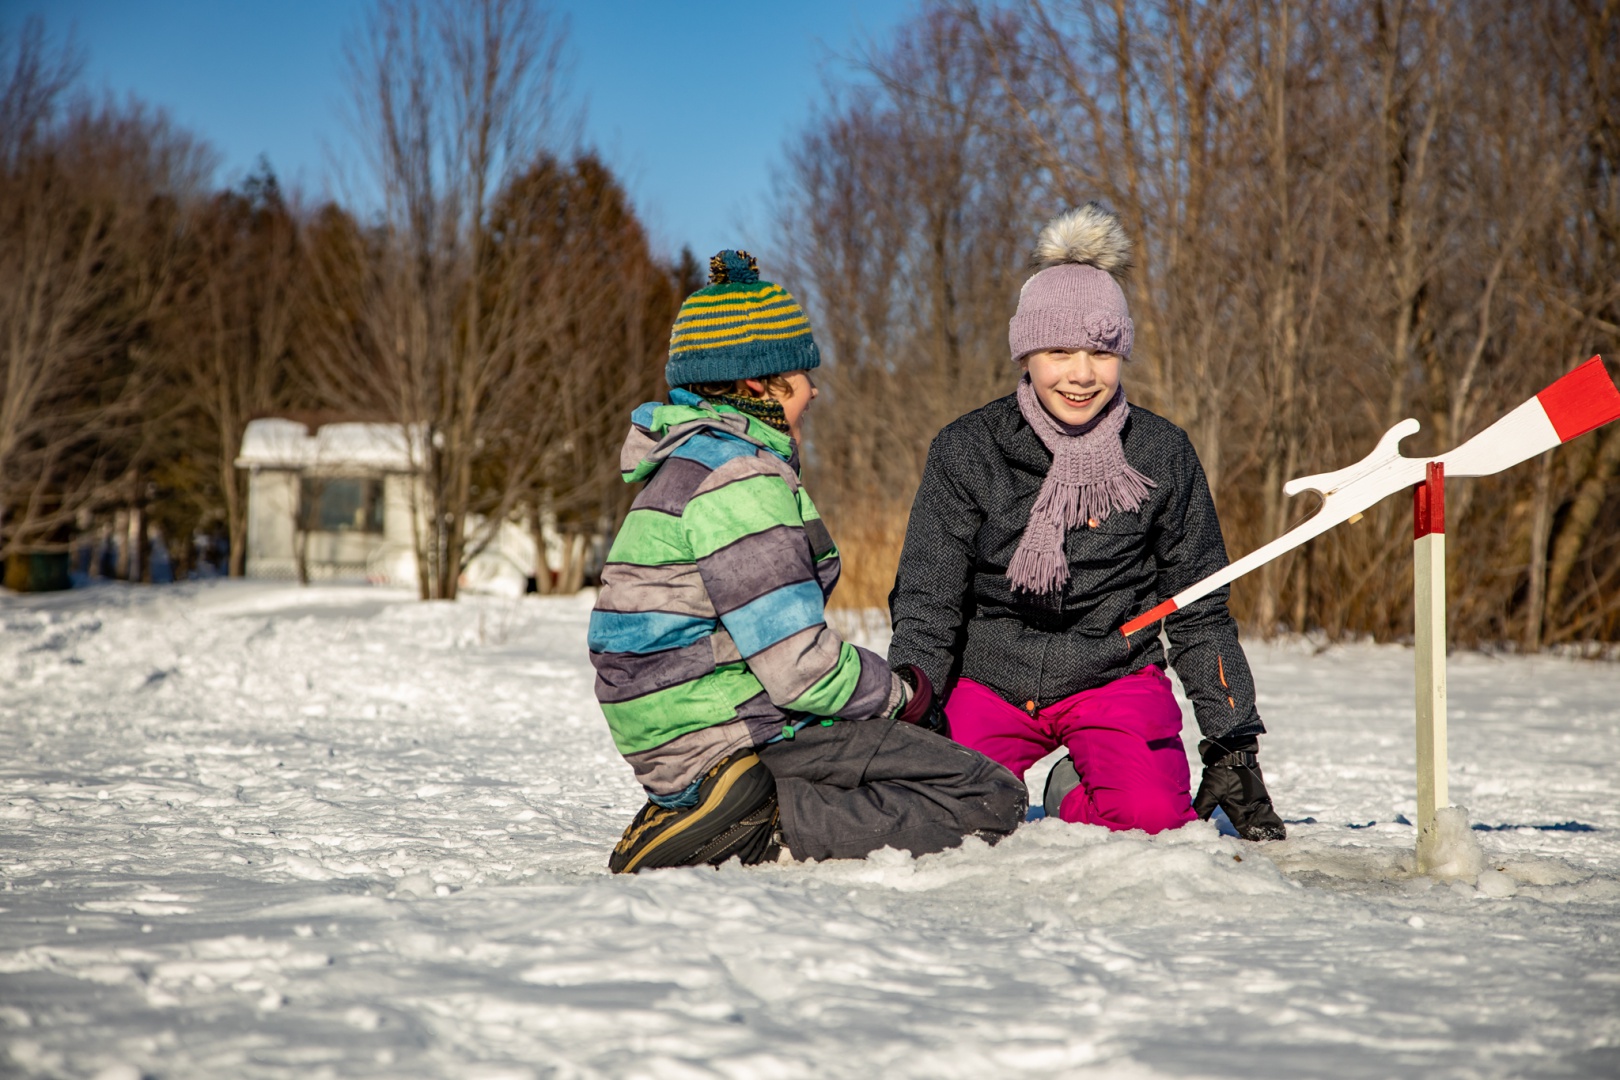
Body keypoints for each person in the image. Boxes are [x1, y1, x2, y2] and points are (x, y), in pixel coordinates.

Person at [590, 249, 1026, 873]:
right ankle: (758, 827)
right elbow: (802, 670)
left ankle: (709, 805)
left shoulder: (689, 465)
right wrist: (903, 696)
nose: (814, 389)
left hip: (680, 739)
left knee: (912, 759)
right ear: (755, 385)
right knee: (990, 794)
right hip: (731, 736)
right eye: (799, 374)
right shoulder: (739, 480)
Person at [887, 205, 1286, 841]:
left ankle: (1074, 787)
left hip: (1112, 674)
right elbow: (928, 599)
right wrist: (909, 702)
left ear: (1121, 352)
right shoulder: (969, 447)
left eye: (1100, 352)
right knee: (944, 817)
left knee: (1154, 823)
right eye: (1058, 351)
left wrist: (1232, 739)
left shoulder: (1161, 452)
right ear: (1027, 353)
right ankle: (992, 784)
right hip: (988, 675)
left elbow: (1199, 607)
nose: (1080, 373)